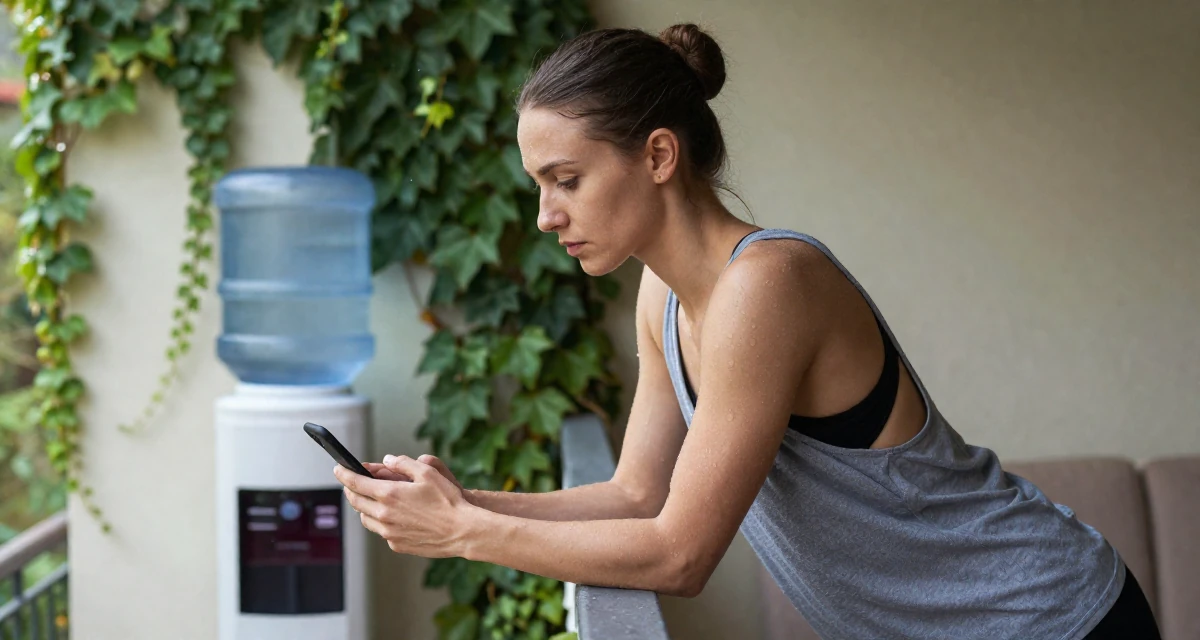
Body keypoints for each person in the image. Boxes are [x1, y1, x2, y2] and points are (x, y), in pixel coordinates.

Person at [334, 24, 1161, 639]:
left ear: (659, 155)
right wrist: (456, 500)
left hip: (1050, 619)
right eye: (540, 186)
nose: (547, 216)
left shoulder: (768, 286)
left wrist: (467, 534)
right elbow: (635, 496)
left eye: (567, 180)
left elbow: (679, 555)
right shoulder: (660, 292)